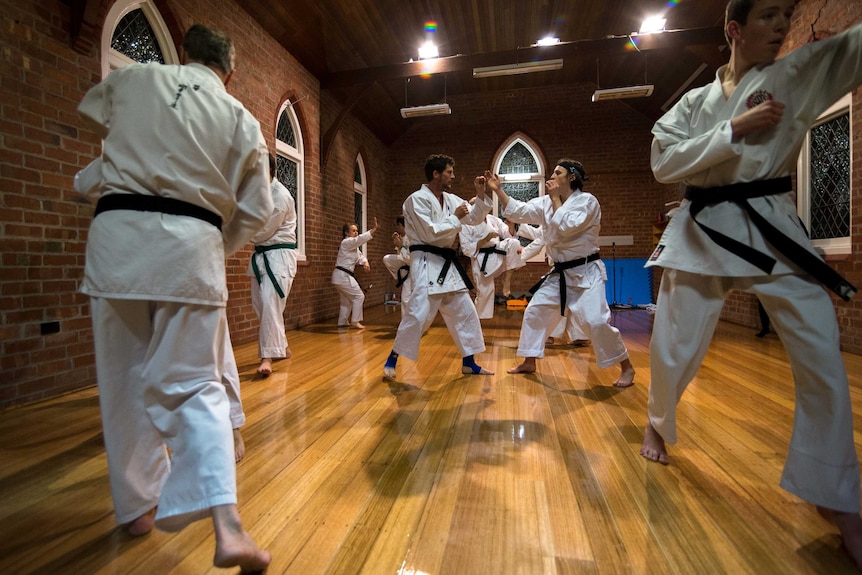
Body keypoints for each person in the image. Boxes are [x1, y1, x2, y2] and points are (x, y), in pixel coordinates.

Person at [641, 0, 862, 564]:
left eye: (787, 15)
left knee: (821, 352)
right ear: (735, 29)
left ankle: (835, 494)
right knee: (672, 346)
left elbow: (850, 50)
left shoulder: (794, 73)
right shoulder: (693, 103)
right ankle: (658, 425)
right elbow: (664, 163)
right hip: (701, 230)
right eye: (769, 16)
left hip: (772, 227)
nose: (783, 26)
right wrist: (731, 129)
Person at [76, 24, 271, 571]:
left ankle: (138, 507)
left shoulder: (133, 78)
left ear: (184, 53)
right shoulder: (240, 118)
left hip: (115, 242)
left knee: (123, 379)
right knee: (194, 384)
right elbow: (256, 212)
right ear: (230, 71)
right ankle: (227, 525)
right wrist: (213, 242)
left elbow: (95, 122)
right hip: (191, 250)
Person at [486, 163, 635, 386]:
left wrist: (556, 199)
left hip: (586, 272)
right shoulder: (546, 202)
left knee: (596, 322)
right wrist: (498, 190)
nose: (552, 176)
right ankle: (529, 360)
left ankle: (627, 368)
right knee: (535, 311)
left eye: (558, 173)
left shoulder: (587, 202)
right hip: (560, 273)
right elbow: (519, 211)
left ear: (572, 177)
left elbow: (567, 226)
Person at [383, 154, 495, 379]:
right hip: (425, 261)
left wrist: (481, 193)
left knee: (465, 312)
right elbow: (429, 232)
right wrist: (454, 219)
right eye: (449, 172)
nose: (453, 176)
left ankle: (469, 362)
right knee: (418, 315)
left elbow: (472, 219)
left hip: (447, 265)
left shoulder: (452, 199)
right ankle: (392, 358)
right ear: (436, 174)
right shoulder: (416, 200)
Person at [248, 153, 298, 376]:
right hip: (261, 255)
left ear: (267, 169)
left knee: (270, 303)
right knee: (260, 304)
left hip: (278, 256)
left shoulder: (280, 195)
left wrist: (237, 230)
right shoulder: (259, 193)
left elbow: (263, 231)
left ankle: (267, 356)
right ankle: (283, 346)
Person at [459, 207, 525, 319]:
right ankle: (477, 325)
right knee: (484, 293)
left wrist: (511, 224)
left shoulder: (493, 220)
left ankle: (507, 281)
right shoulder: (466, 224)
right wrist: (485, 239)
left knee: (514, 243)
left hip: (497, 254)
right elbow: (466, 250)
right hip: (480, 260)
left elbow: (509, 235)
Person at [332, 218, 379, 329]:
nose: (356, 232)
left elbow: (360, 257)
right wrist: (373, 230)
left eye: (357, 230)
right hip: (343, 276)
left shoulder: (353, 247)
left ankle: (342, 321)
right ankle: (355, 321)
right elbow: (359, 239)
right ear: (346, 233)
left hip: (340, 277)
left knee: (346, 300)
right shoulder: (346, 242)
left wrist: (365, 262)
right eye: (353, 230)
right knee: (359, 296)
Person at [382, 215, 414, 306]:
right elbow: (400, 256)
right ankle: (399, 276)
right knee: (387, 259)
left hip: (414, 269)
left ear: (400, 225)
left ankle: (410, 320)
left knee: (406, 298)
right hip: (406, 267)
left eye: (398, 226)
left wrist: (400, 246)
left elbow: (409, 259)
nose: (397, 228)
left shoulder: (412, 237)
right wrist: (398, 243)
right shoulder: (403, 237)